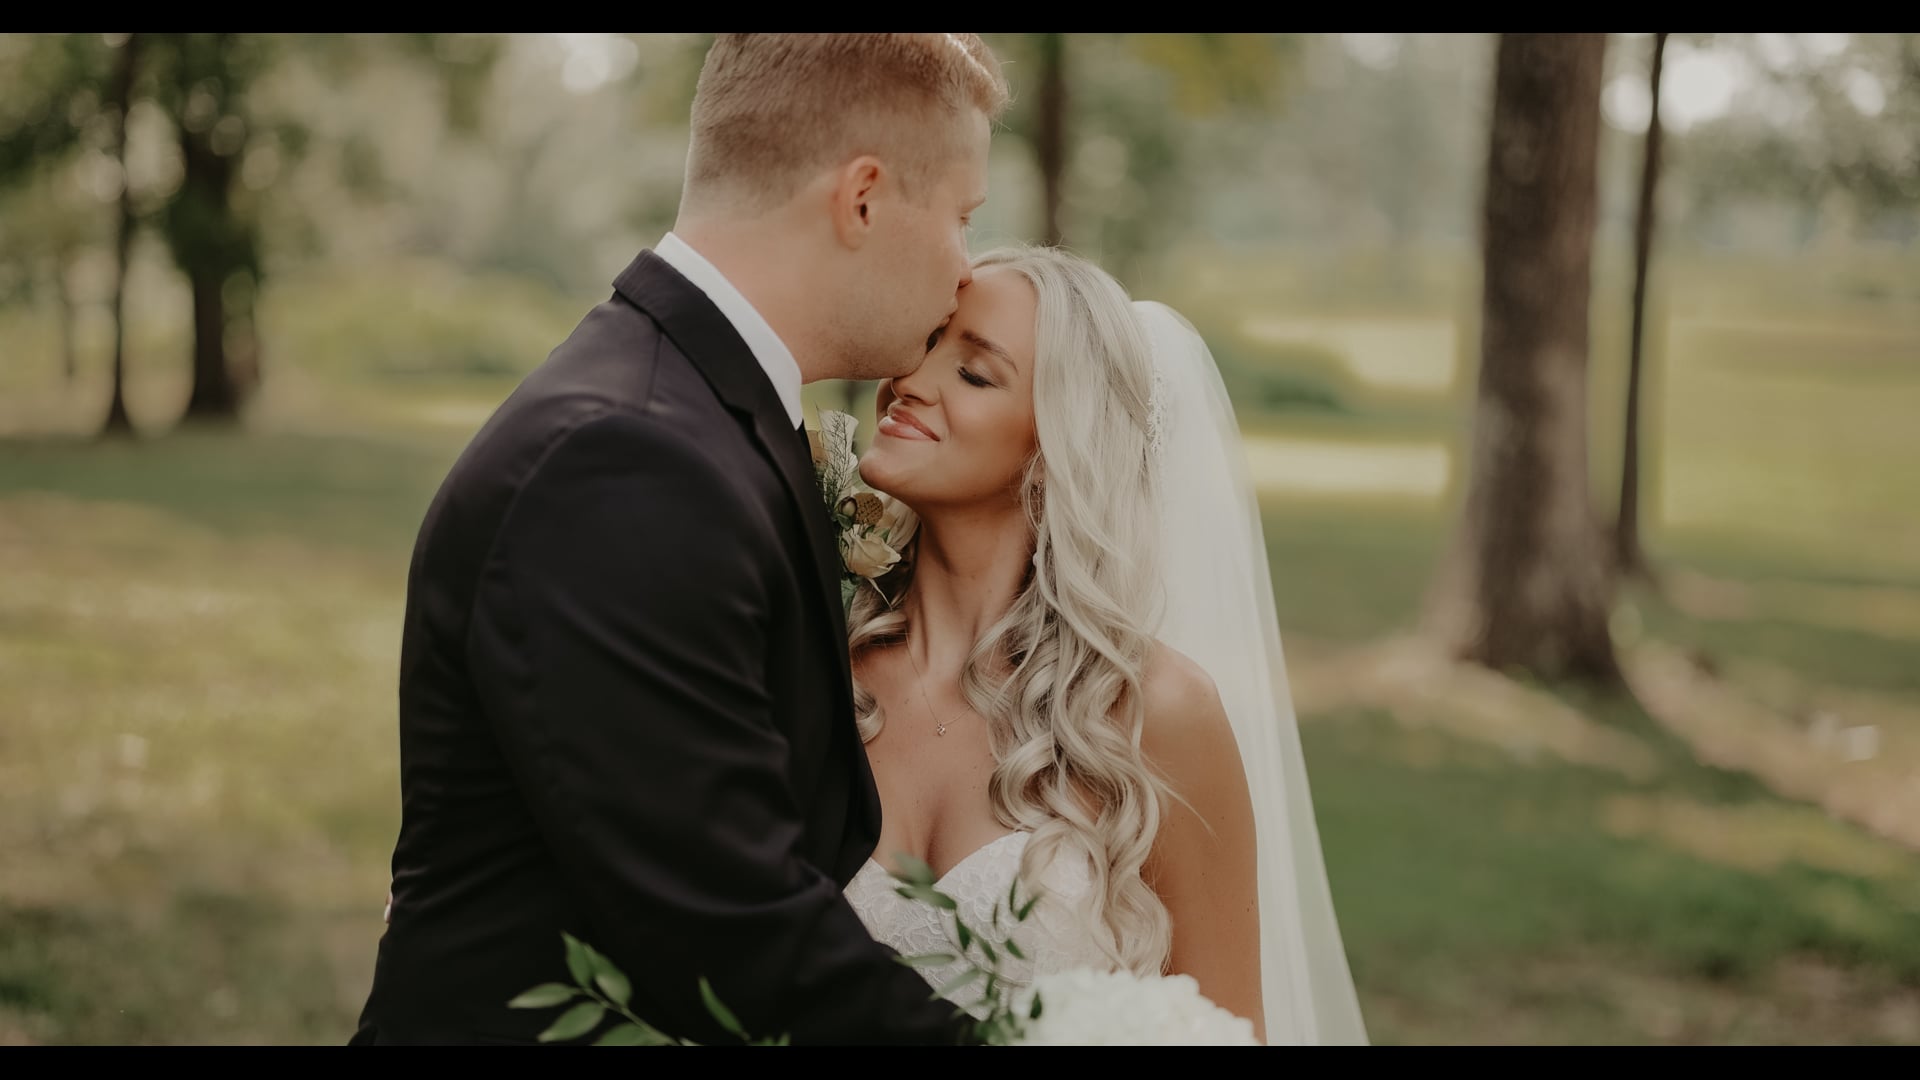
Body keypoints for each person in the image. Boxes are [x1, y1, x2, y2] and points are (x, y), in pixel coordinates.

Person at [352, 33, 1010, 1046]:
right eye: (963, 218)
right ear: (864, 198)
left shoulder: (701, 414)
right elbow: (730, 923)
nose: (965, 267)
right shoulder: (625, 461)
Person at [842, 244, 1371, 1045]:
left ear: (1058, 445)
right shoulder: (818, 664)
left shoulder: (1157, 714)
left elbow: (1230, 1031)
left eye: (975, 374)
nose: (910, 383)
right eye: (924, 348)